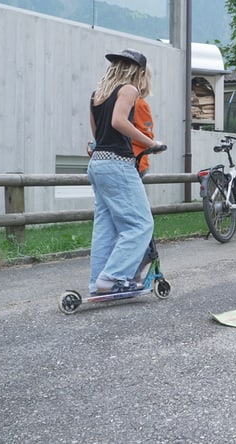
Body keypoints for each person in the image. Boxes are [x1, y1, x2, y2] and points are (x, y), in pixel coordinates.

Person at [87, 48, 164, 294]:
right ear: (138, 72)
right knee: (141, 224)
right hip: (118, 164)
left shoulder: (97, 94)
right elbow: (119, 121)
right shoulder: (128, 89)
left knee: (106, 227)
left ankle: (97, 282)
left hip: (97, 163)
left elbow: (97, 133)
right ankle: (113, 277)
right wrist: (152, 143)